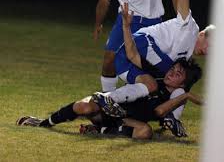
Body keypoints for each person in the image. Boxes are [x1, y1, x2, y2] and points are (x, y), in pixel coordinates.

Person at [93, 0, 215, 114]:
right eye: (210, 46)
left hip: (142, 40)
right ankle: (109, 99)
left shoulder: (186, 58)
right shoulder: (189, 25)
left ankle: (116, 104)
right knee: (113, 61)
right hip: (134, 31)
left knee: (160, 81)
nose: (207, 52)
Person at [16, 59, 202, 140]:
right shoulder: (153, 79)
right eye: (173, 69)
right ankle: (42, 123)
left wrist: (185, 96)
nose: (171, 73)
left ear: (183, 84)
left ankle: (100, 130)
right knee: (83, 107)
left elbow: (159, 112)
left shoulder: (175, 98)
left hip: (124, 119)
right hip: (109, 106)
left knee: (145, 132)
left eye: (178, 74)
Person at [94, 0, 178, 92]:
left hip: (152, 23)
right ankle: (107, 99)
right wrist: (98, 23)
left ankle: (149, 102)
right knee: (109, 60)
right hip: (126, 20)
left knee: (150, 67)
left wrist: (182, 21)